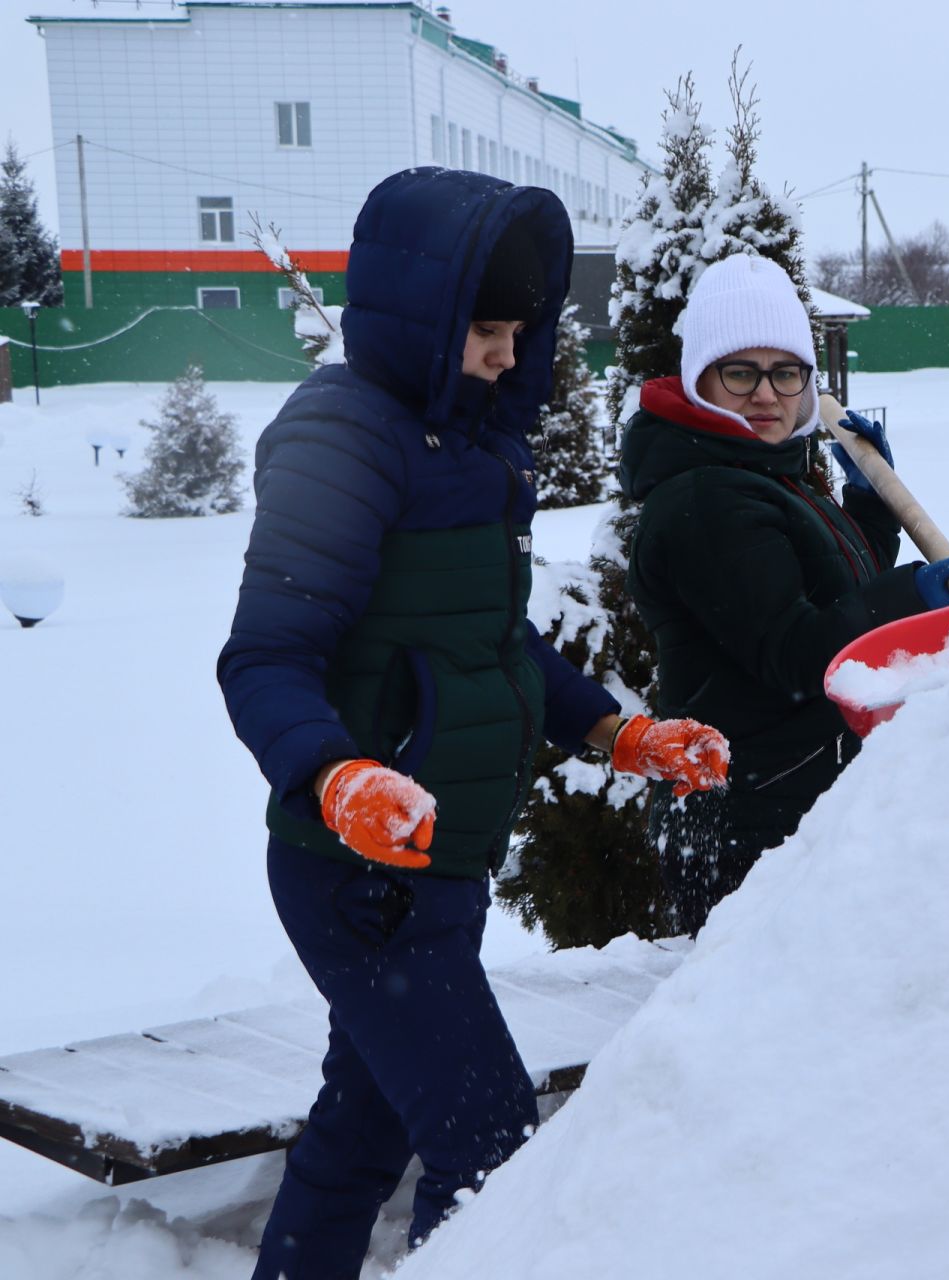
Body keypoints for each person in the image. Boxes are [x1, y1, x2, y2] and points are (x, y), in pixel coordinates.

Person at [216, 167, 729, 1280]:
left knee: (366, 1125)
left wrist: (614, 732)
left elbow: (492, 644)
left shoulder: (477, 447)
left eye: (516, 329)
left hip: (438, 860)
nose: (505, 354)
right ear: (420, 319)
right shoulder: (340, 443)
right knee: (489, 1140)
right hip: (356, 868)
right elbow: (264, 656)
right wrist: (336, 774)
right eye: (482, 330)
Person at [618, 253, 949, 935]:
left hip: (787, 804)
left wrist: (871, 506)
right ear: (699, 380)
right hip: (747, 823)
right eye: (741, 372)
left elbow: (839, 588)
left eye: (786, 372)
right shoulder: (706, 497)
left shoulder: (766, 475)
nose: (767, 394)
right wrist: (915, 595)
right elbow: (800, 655)